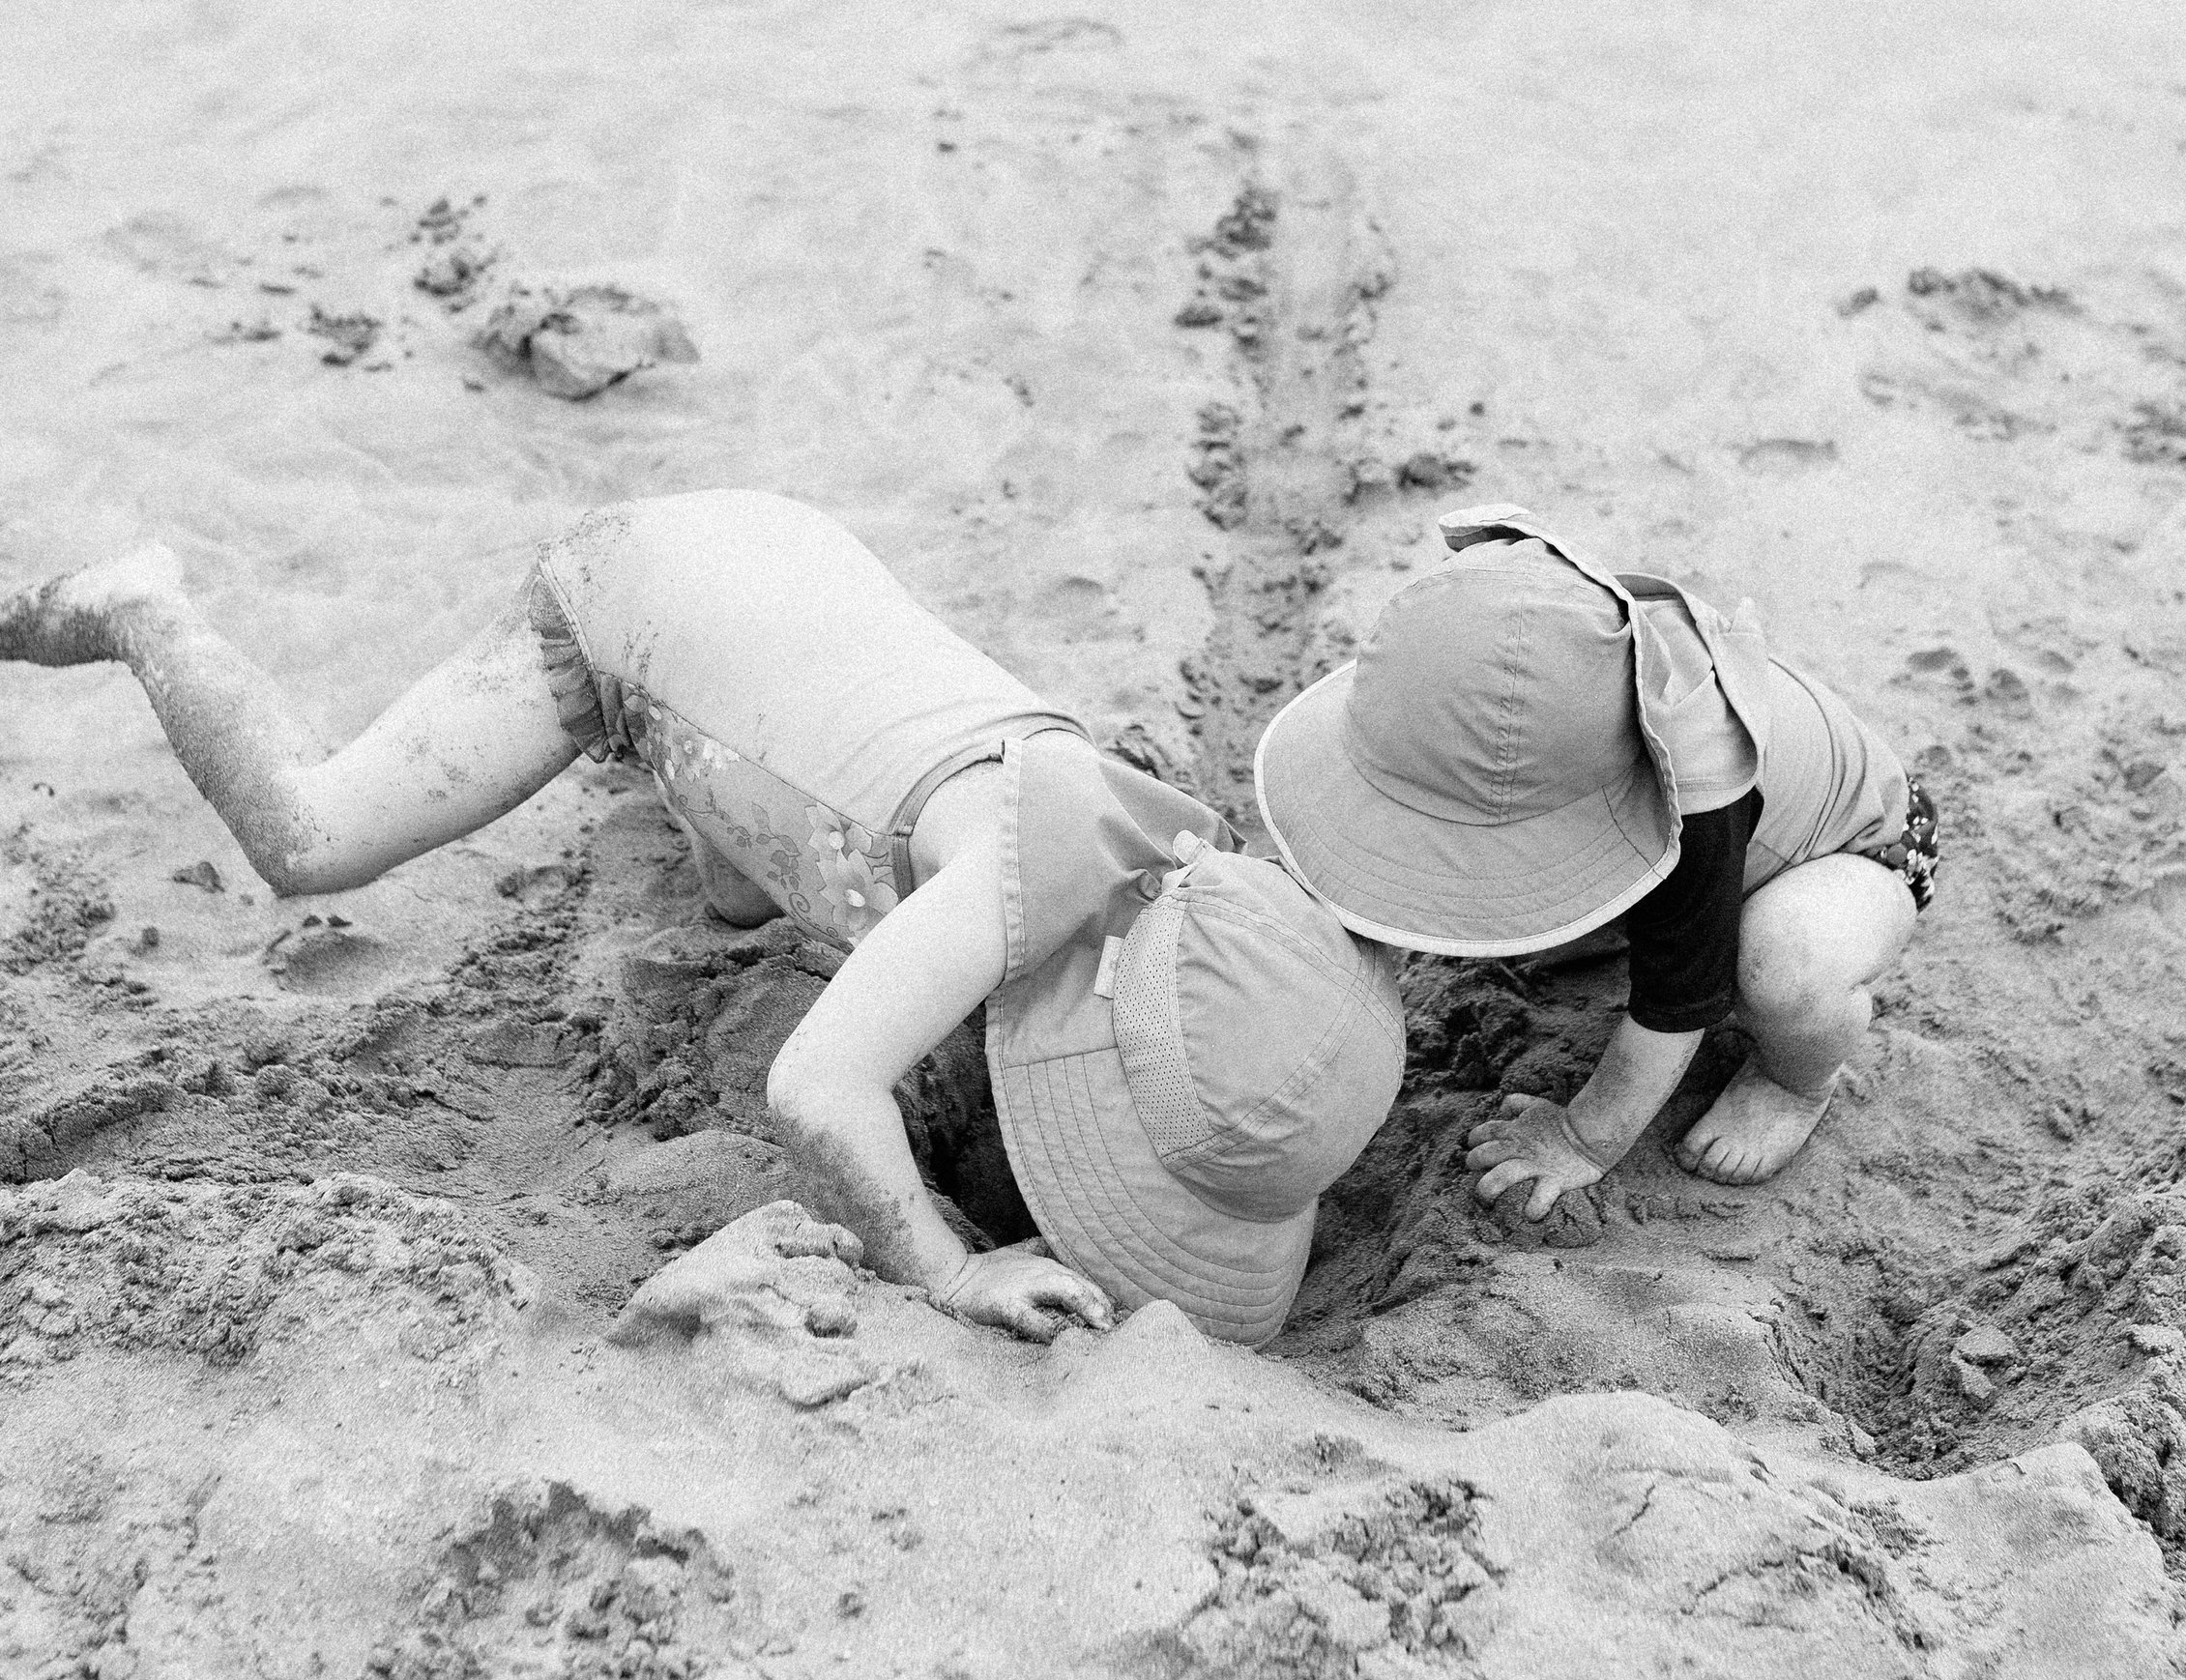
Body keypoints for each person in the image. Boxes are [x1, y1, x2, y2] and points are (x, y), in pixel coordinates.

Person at [2, 490, 1403, 1347]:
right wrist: (942, 1266)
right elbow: (816, 1085)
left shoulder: (1166, 857)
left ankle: (702, 797)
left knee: (753, 884)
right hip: (637, 599)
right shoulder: (1007, 881)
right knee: (310, 836)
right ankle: (138, 607)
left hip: (794, 574)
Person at [1253, 507, 1936, 1214]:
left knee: (1783, 967)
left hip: (1859, 853)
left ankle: (1793, 1081)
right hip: (1709, 833)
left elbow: (1679, 999)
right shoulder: (1533, 658)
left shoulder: (1697, 796)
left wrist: (1582, 1139)